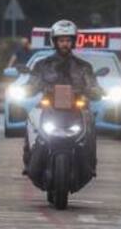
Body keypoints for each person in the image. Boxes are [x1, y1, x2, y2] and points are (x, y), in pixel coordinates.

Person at [21, 19, 105, 175]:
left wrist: (96, 91)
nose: (64, 44)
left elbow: (92, 84)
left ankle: (91, 163)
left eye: (67, 40)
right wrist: (26, 89)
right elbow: (32, 83)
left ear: (73, 42)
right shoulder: (42, 65)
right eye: (61, 40)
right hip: (49, 106)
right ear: (54, 42)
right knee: (31, 118)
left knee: (91, 122)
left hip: (77, 108)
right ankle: (28, 160)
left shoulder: (84, 66)